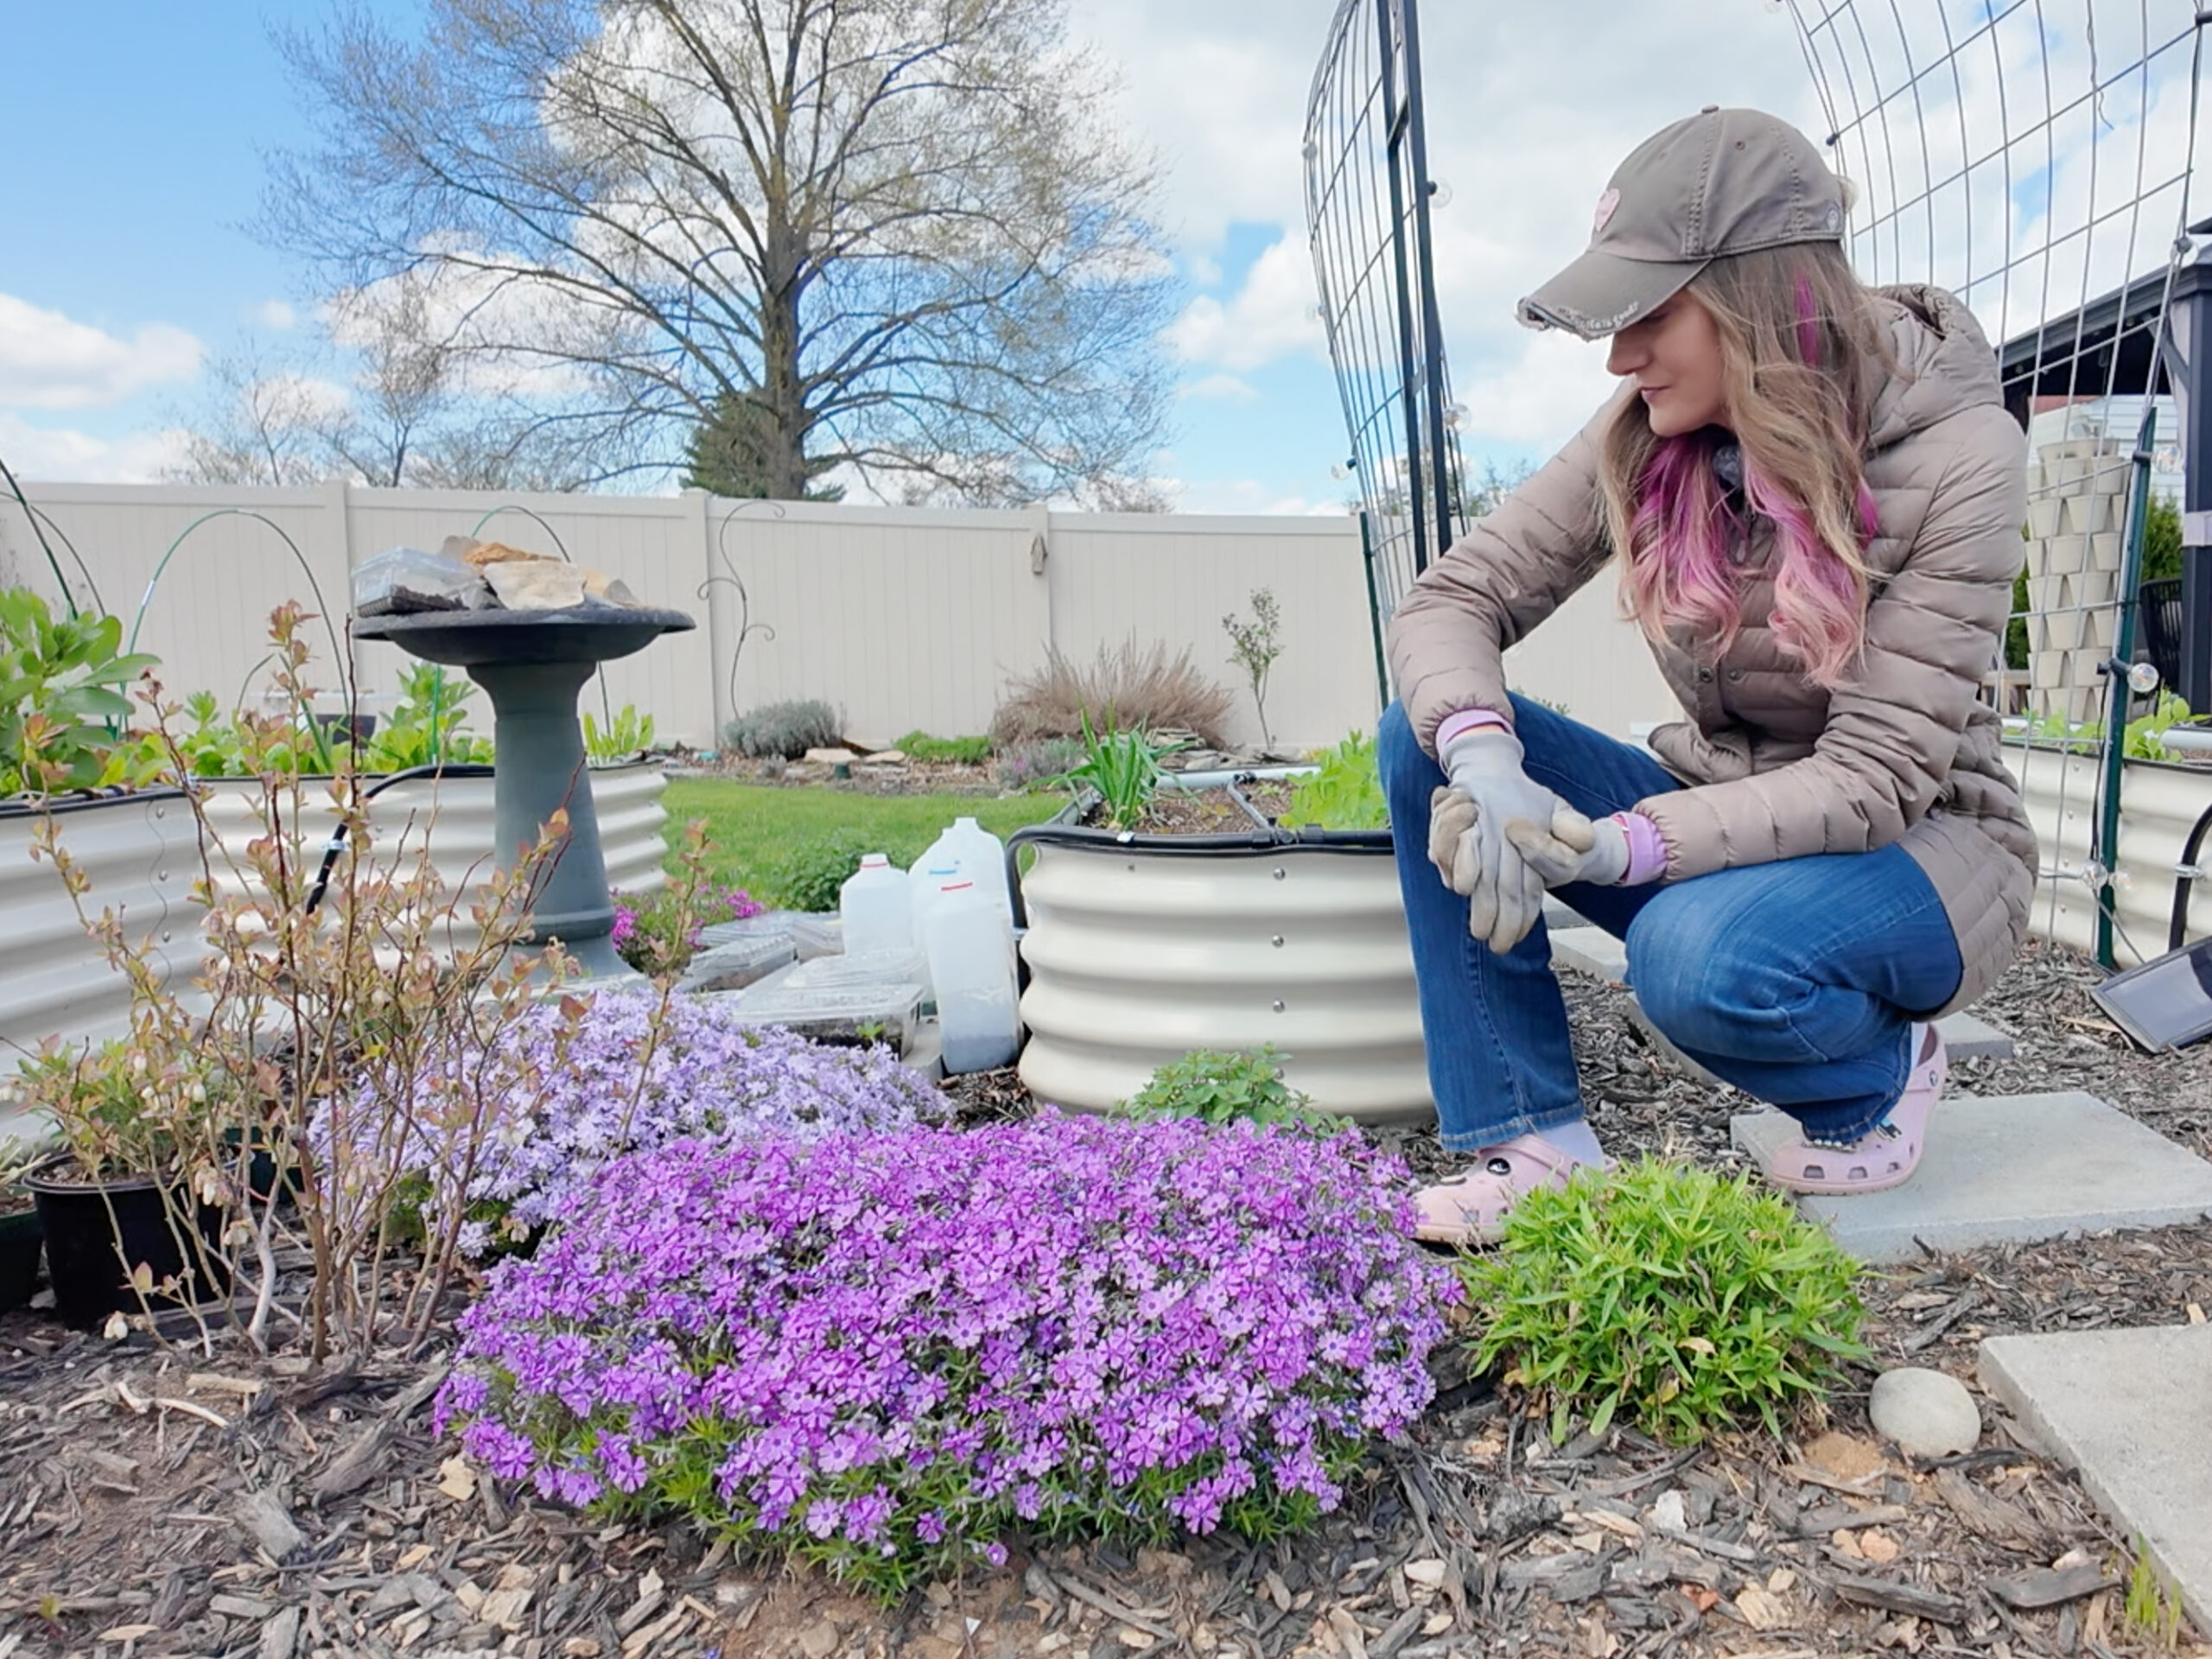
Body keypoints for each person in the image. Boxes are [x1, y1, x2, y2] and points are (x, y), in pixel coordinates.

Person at [1379, 106, 2034, 1246]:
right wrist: (1485, 762)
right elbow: (1454, 598)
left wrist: (1620, 844)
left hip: (1919, 843)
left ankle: (1880, 1070)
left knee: (1695, 960)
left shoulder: (1961, 454)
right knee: (1422, 733)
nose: (1618, 353)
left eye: (1648, 313)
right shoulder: (1648, 426)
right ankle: (1535, 1143)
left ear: (1762, 298)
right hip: (1730, 819)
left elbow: (1874, 778)